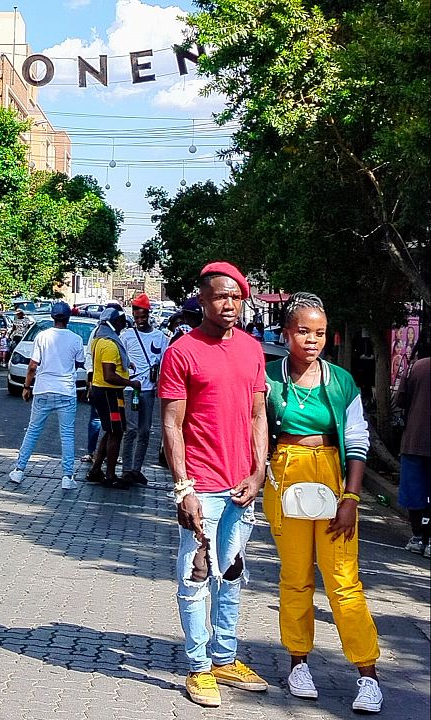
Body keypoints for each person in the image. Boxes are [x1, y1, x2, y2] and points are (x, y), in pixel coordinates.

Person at [263, 292, 383, 713]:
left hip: (331, 476)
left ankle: (368, 674)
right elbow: (254, 429)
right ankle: (299, 663)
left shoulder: (342, 381)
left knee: (343, 580)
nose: (311, 340)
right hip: (285, 476)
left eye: (319, 333)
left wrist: (351, 497)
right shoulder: (268, 378)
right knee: (295, 578)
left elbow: (356, 440)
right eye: (302, 331)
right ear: (286, 333)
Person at [158, 261, 268, 708]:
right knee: (195, 575)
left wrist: (259, 472)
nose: (229, 303)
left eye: (236, 296)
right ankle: (199, 667)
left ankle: (225, 658)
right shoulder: (182, 352)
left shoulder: (253, 349)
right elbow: (170, 424)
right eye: (221, 296)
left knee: (233, 575)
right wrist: (183, 488)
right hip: (202, 486)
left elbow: (259, 415)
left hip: (242, 485)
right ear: (201, 300)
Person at [8, 302, 86, 490]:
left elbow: (33, 365)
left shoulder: (42, 336)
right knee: (67, 434)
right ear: (68, 318)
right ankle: (67, 476)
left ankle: (19, 469)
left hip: (43, 388)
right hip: (66, 390)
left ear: (52, 317)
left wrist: (26, 386)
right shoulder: (76, 339)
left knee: (33, 430)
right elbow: (79, 363)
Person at [119, 293, 169, 486]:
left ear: (149, 315)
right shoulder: (127, 336)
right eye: (136, 317)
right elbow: (121, 361)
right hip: (131, 389)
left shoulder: (160, 337)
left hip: (149, 390)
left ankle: (136, 469)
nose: (139, 321)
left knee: (145, 431)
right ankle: (126, 470)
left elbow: (164, 364)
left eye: (142, 317)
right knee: (130, 430)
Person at [86, 307, 135, 486]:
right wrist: (131, 383)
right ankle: (111, 476)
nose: (123, 324)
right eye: (121, 320)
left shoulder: (100, 340)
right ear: (113, 322)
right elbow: (109, 375)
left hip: (104, 391)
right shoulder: (110, 344)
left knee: (110, 430)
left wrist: (128, 365)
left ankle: (96, 469)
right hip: (110, 394)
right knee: (116, 432)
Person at [396, 347, 430, 558]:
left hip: (415, 440)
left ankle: (418, 537)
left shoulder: (417, 367)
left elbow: (400, 400)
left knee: (414, 491)